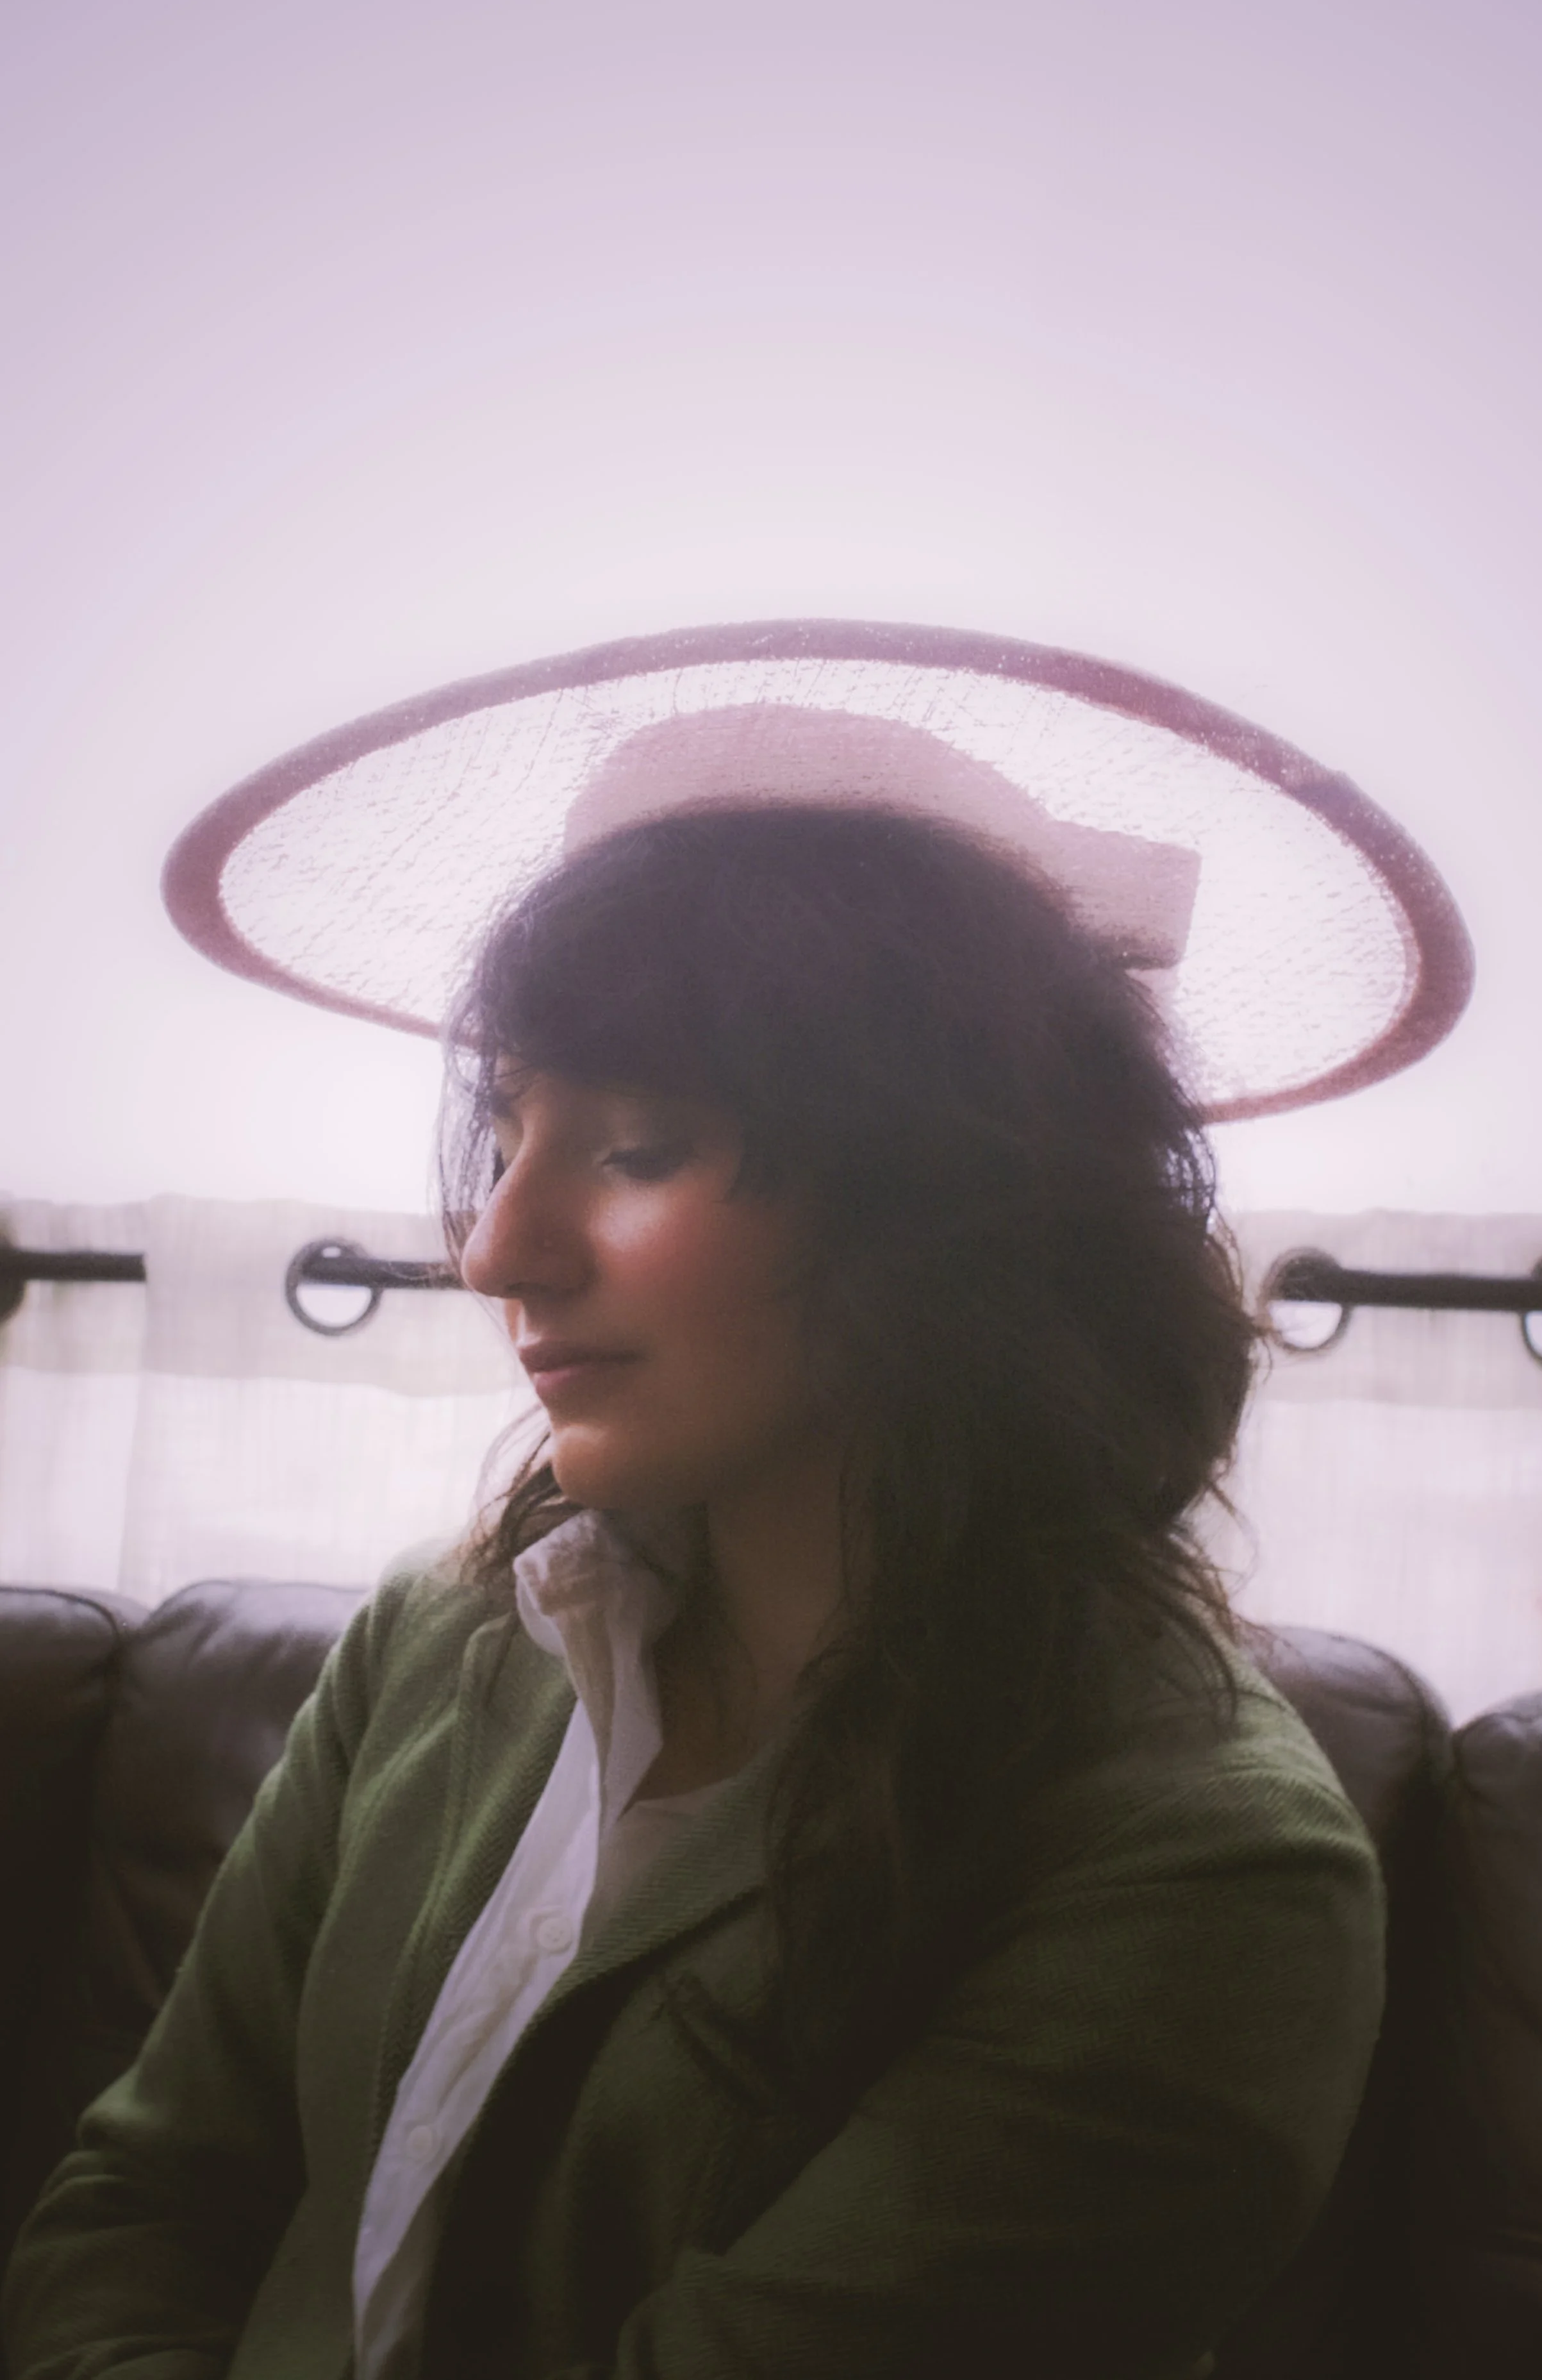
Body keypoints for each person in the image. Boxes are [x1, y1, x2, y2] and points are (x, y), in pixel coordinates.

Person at [3, 801, 1384, 2380]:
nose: (497, 1249)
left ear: (940, 1202)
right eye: (504, 1139)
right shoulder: (436, 1642)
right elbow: (142, 2206)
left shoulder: (1203, 1869)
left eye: (636, 1148)